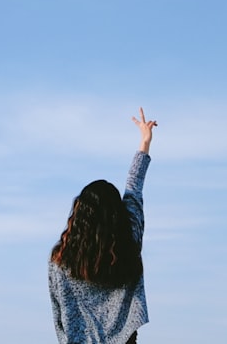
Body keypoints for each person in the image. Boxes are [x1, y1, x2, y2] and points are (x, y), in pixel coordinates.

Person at [49, 107, 158, 344]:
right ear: (117, 215)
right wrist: (144, 141)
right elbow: (134, 188)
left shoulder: (60, 261)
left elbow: (59, 315)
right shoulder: (129, 239)